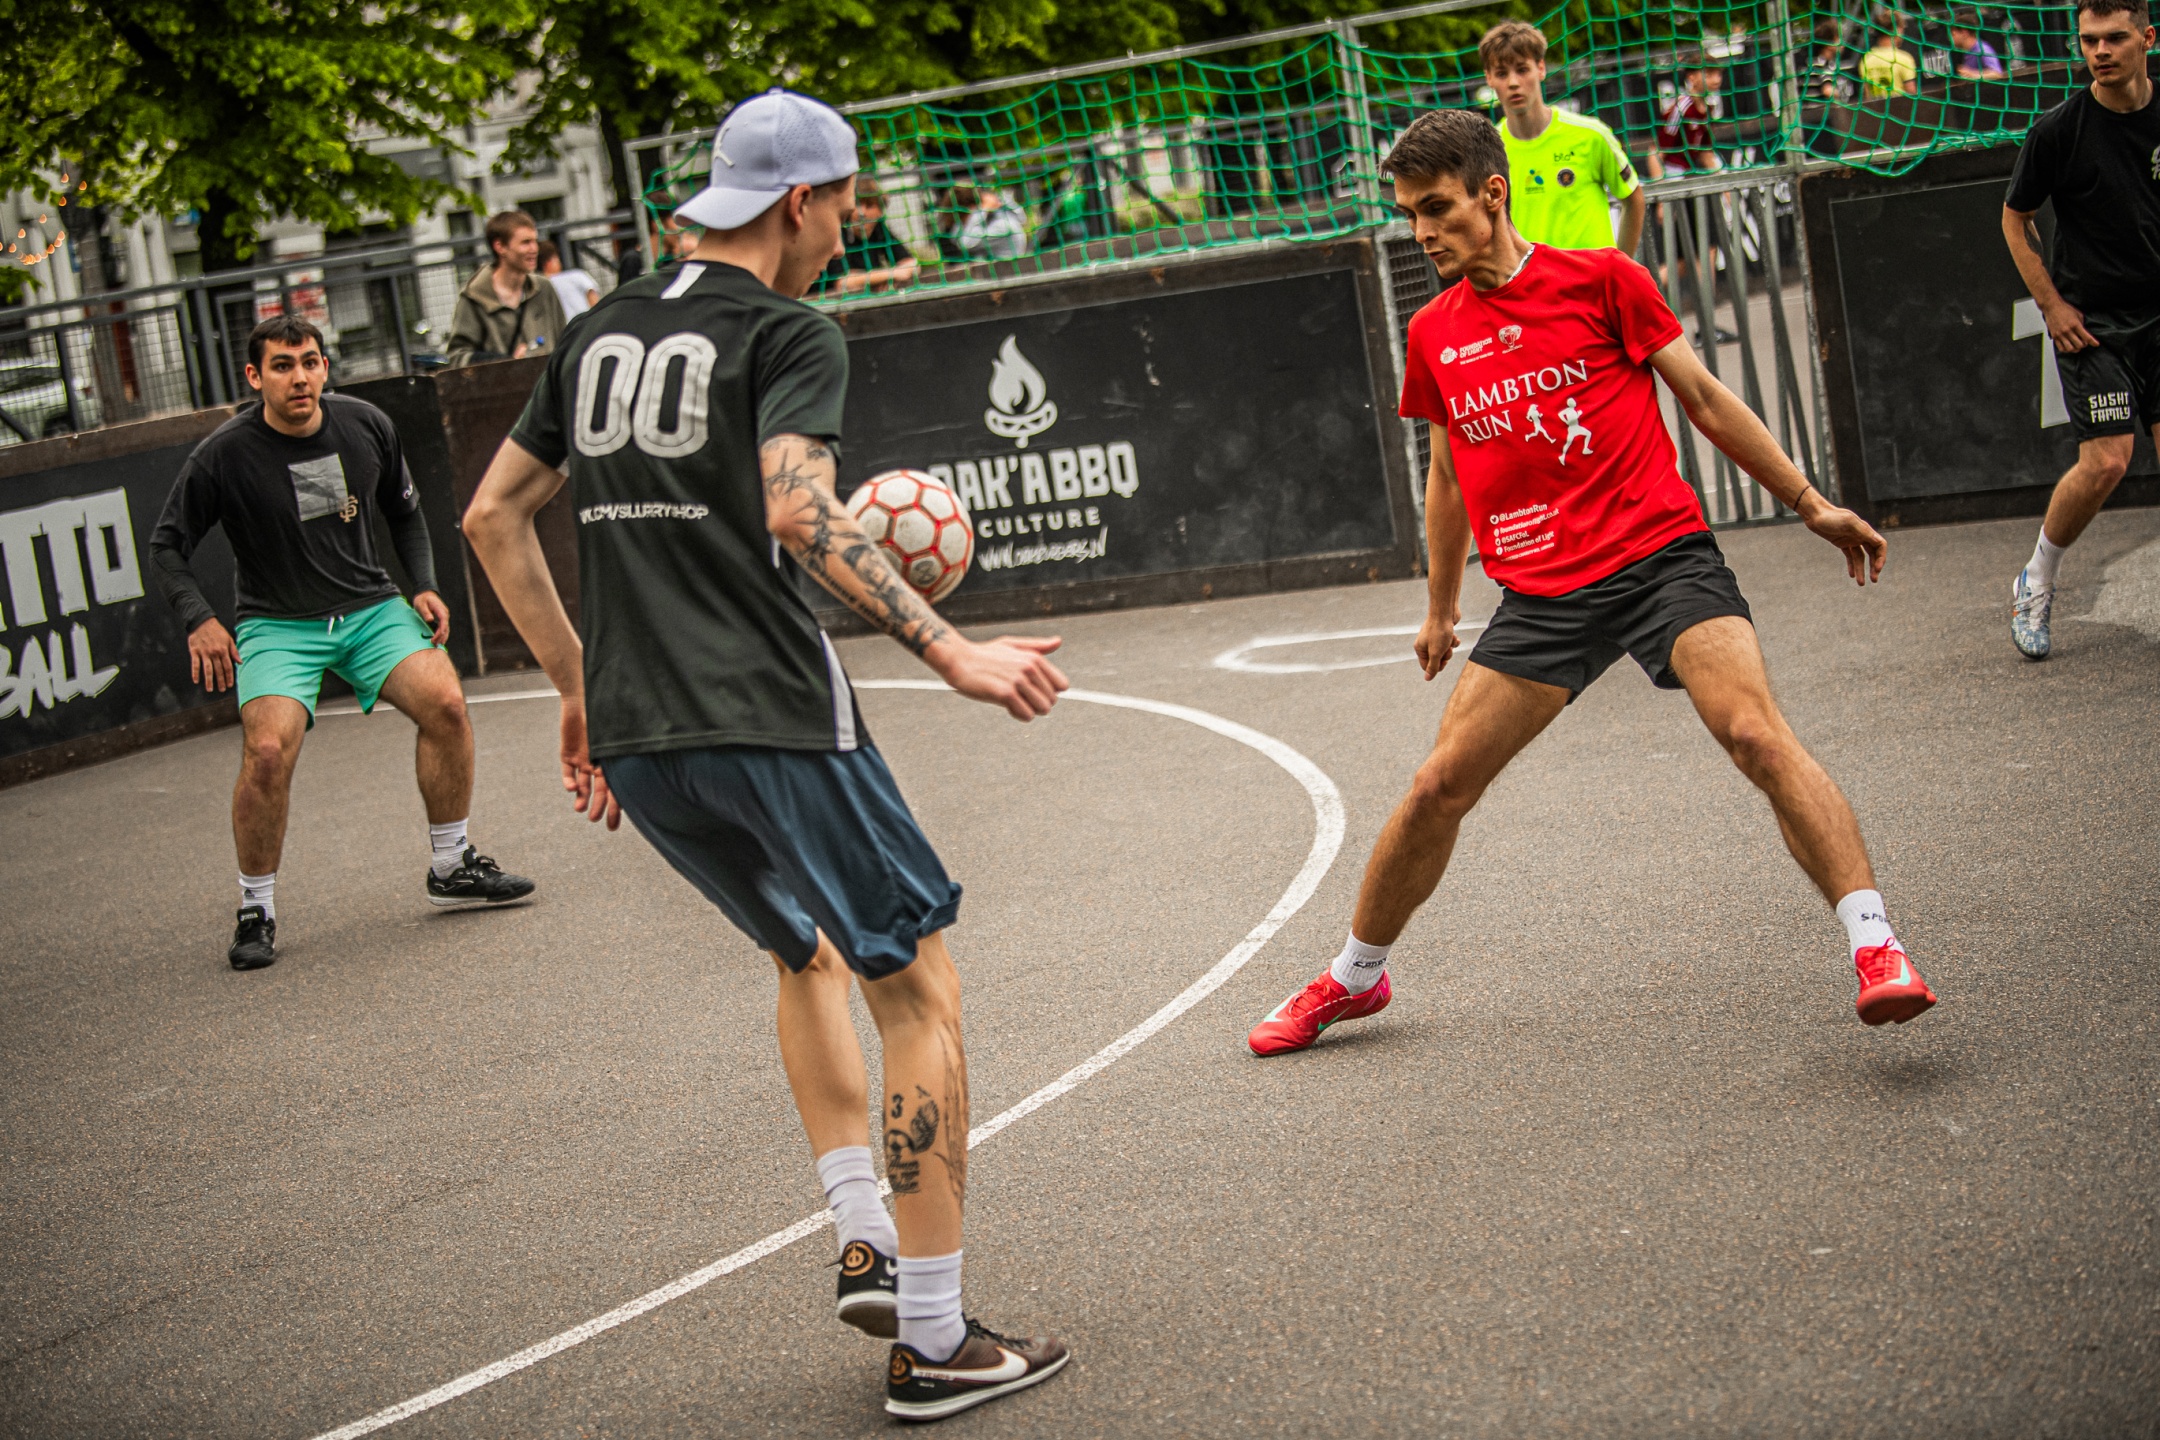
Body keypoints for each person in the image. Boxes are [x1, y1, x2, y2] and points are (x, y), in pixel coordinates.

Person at [460, 88, 1071, 1422]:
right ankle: (934, 1339)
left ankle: (863, 1236)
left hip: (643, 736)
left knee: (804, 954)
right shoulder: (789, 331)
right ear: (799, 202)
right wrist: (952, 651)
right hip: (772, 713)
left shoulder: (596, 329)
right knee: (918, 991)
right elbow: (800, 510)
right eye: (846, 206)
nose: (849, 232)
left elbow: (494, 517)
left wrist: (576, 687)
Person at [1246, 108, 1936, 1059]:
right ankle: (1355, 978)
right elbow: (1446, 474)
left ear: (1493, 194)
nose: (1421, 232)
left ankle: (1876, 947)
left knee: (1753, 733)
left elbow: (1704, 399)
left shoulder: (1605, 279)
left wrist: (1809, 502)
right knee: (1437, 786)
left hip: (1661, 559)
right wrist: (1441, 608)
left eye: (1437, 208)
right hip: (1543, 596)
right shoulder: (1435, 332)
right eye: (1408, 215)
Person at [149, 315, 535, 971]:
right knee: (266, 752)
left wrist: (423, 584)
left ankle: (452, 865)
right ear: (255, 376)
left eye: (310, 361)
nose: (299, 377)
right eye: (282, 365)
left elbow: (404, 511)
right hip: (277, 624)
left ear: (325, 367)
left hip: (370, 608)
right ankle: (256, 910)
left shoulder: (364, 425)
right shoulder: (222, 455)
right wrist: (199, 619)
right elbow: (167, 546)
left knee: (446, 704)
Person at [2001, 0, 2160, 659]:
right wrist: (2052, 306)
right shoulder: (2058, 132)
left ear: (2147, 38)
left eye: (2114, 38)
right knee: (2107, 462)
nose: (2100, 51)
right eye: (2089, 40)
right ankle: (2036, 578)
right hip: (2092, 328)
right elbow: (2015, 219)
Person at [1478, 20, 1646, 255]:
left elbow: (1633, 198)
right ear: (1489, 78)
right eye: (1502, 73)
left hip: (1591, 277)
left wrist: (1621, 266)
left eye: (1522, 69)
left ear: (1541, 68)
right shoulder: (1486, 151)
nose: (1513, 82)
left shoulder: (1591, 134)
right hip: (1530, 278)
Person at [446, 210, 569, 367]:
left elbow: (565, 342)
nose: (534, 249)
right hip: (500, 382)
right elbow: (457, 357)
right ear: (500, 246)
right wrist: (505, 362)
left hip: (546, 381)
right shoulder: (474, 297)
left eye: (535, 241)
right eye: (525, 242)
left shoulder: (544, 288)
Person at [813, 177, 920, 296]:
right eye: (857, 204)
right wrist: (890, 274)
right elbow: (843, 282)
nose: (861, 212)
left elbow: (911, 263)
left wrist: (886, 278)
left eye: (869, 206)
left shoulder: (879, 228)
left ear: (880, 211)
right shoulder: (838, 231)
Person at [956, 186, 1030, 261]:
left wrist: (983, 209)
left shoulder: (1003, 225)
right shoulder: (990, 220)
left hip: (1005, 268)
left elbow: (965, 243)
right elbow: (955, 236)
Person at [1860, 8, 1920, 97]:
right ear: (1897, 30)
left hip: (1876, 106)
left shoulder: (1866, 59)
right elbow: (1912, 94)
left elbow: (1867, 96)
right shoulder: (1904, 59)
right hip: (1900, 105)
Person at [539, 239, 600, 319]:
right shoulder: (577, 275)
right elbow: (594, 301)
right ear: (551, 260)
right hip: (586, 322)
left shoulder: (538, 286)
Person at [1951, 11, 2008, 77]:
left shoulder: (1982, 49)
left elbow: (1996, 74)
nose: (1951, 38)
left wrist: (1972, 74)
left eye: (1953, 34)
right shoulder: (1968, 52)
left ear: (1964, 33)